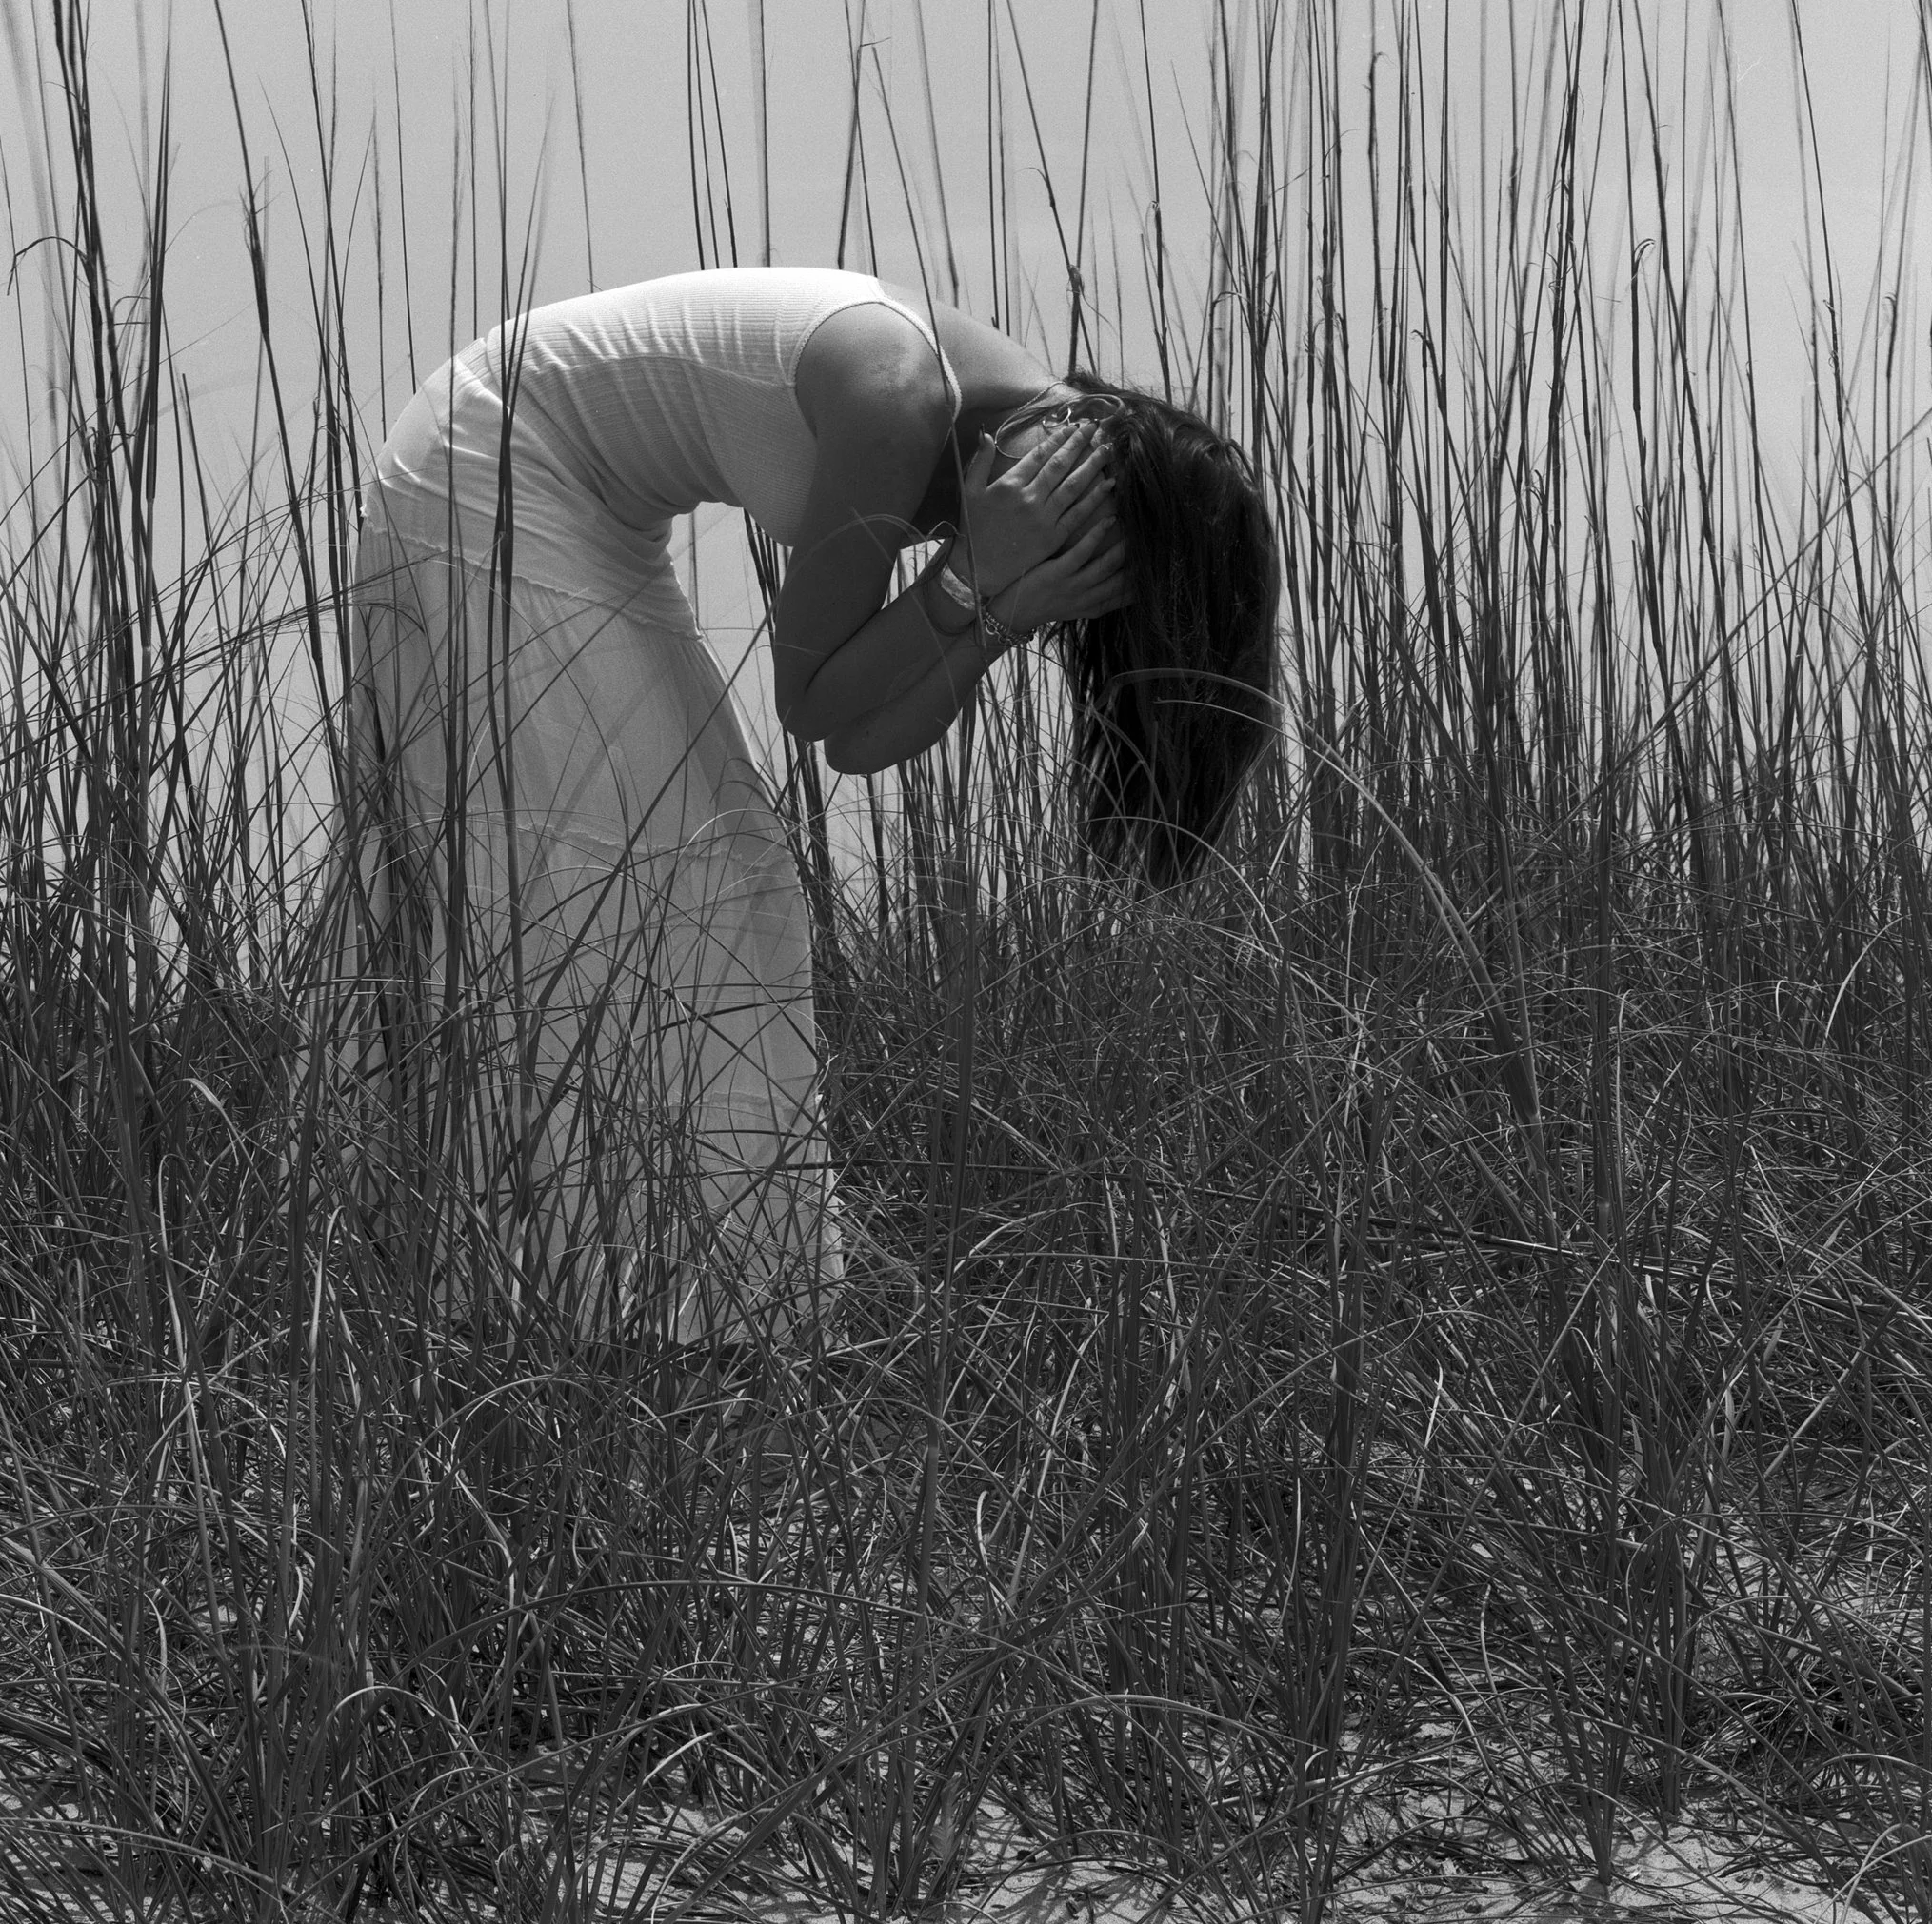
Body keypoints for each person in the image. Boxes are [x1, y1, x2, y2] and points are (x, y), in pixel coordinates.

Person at [334, 267, 1274, 1340]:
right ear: (1095, 483)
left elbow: (859, 742)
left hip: (579, 507)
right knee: (662, 885)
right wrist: (977, 579)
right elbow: (808, 691)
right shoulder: (901, 397)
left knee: (728, 892)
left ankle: (647, 1316)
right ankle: (619, 1317)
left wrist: (1000, 602)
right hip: (489, 465)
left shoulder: (996, 465)